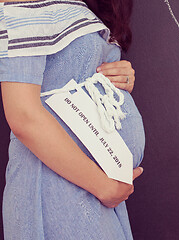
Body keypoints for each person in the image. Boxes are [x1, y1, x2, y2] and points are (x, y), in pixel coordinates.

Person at [0, 0, 145, 239]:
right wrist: (104, 186)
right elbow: (23, 114)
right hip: (56, 185)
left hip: (92, 188)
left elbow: (70, 69)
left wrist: (119, 77)